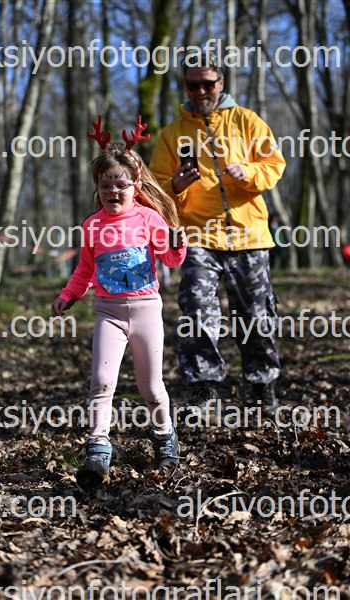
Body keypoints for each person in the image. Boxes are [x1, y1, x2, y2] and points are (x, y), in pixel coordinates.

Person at [52, 116, 186, 486]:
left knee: (151, 388)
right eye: (106, 185)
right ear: (97, 188)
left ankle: (165, 440)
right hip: (108, 313)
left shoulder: (149, 218)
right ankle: (98, 449)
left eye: (121, 184)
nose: (113, 191)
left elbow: (171, 259)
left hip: (146, 312)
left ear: (135, 185)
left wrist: (177, 243)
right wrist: (67, 295)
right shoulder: (92, 225)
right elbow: (85, 268)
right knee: (100, 381)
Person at [149, 51, 286, 411]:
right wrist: (175, 186)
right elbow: (156, 188)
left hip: (248, 233)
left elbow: (274, 164)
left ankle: (263, 385)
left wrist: (249, 172)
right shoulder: (171, 134)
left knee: (255, 312)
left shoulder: (247, 121)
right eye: (192, 85)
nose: (200, 91)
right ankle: (204, 387)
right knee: (196, 307)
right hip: (197, 236)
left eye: (207, 84)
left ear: (221, 83)